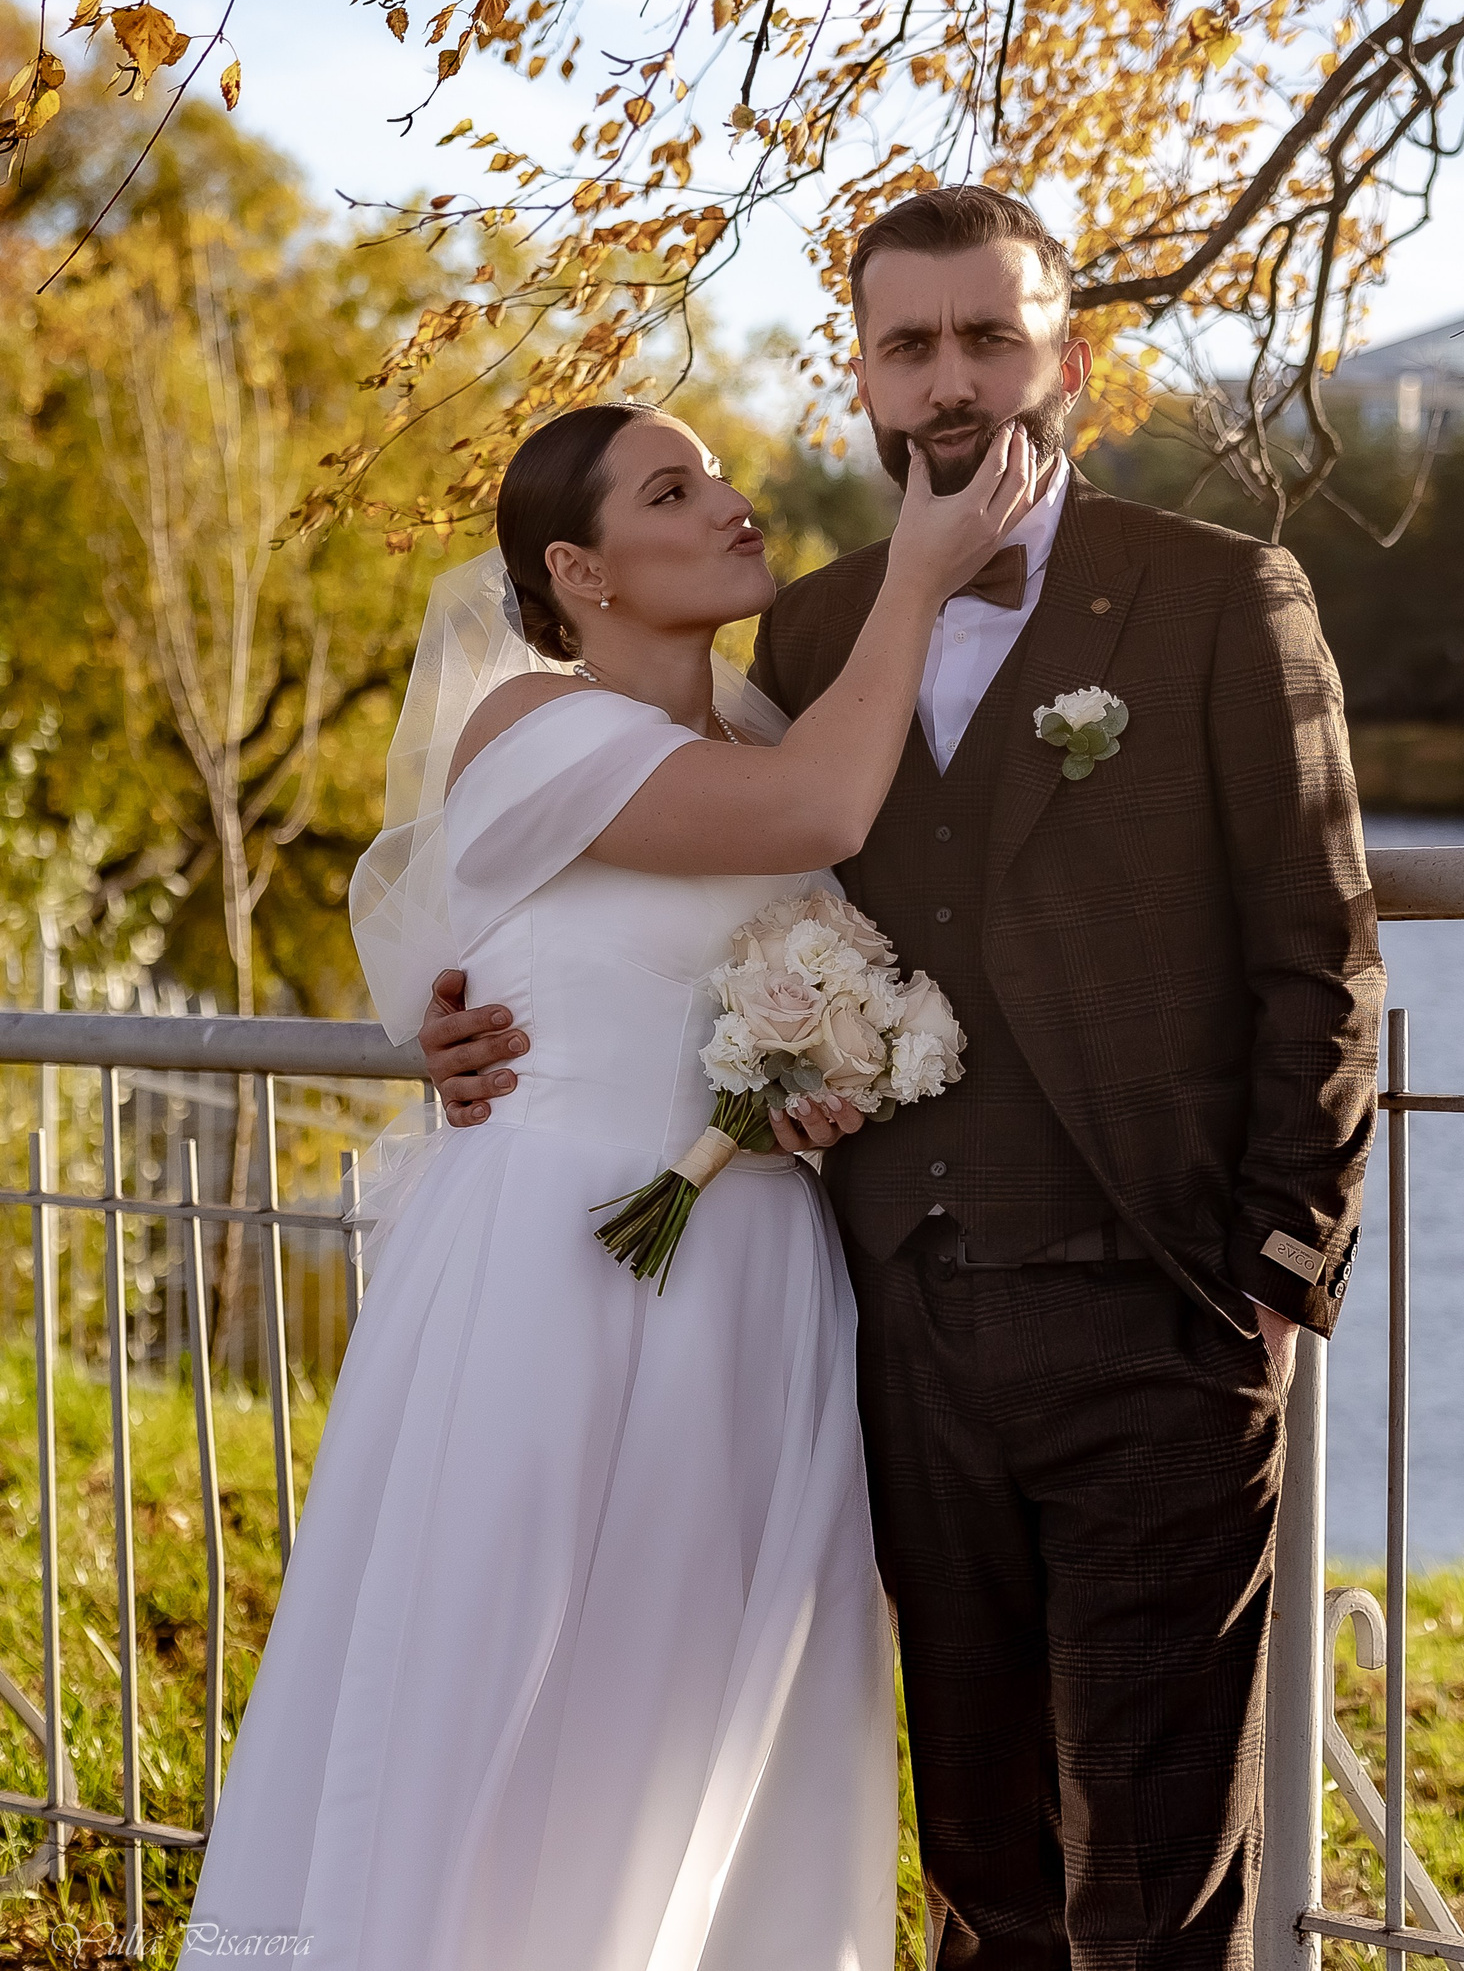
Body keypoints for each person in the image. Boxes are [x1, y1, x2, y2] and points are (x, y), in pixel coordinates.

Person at [421, 184, 1387, 1971]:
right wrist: (460, 1021)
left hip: (1157, 1311)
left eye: (991, 337)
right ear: (863, 375)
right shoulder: (802, 639)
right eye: (910, 344)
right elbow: (649, 899)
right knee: (979, 1866)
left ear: (1066, 357)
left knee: (1158, 1874)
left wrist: (1277, 1274)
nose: (952, 382)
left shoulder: (1221, 599)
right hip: (889, 1329)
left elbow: (1318, 957)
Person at [179, 398, 1035, 1971]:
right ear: (578, 569)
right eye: (674, 488)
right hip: (563, 1269)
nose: (730, 502)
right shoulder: (535, 727)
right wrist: (916, 580)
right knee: (512, 1672)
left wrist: (821, 1081)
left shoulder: (761, 727)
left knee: (693, 1704)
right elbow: (818, 822)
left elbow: (747, 900)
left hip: (757, 1284)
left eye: (717, 473)